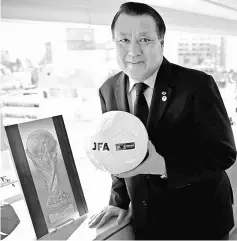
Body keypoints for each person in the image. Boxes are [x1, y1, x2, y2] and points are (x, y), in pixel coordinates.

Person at [88, 2, 237, 240]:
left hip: (200, 220)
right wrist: (118, 202)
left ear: (162, 43)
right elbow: (116, 153)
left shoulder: (197, 85)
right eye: (124, 40)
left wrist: (163, 166)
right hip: (147, 221)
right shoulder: (108, 89)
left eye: (145, 40)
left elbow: (223, 153)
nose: (133, 51)